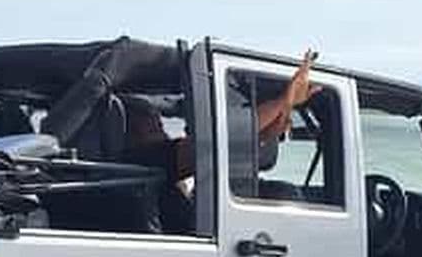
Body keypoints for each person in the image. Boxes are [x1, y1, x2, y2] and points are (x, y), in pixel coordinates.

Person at [124, 49, 320, 187]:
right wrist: (284, 100)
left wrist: (269, 129)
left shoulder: (147, 174)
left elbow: (227, 148)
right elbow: (211, 147)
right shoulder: (142, 162)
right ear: (127, 128)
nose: (163, 130)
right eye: (154, 123)